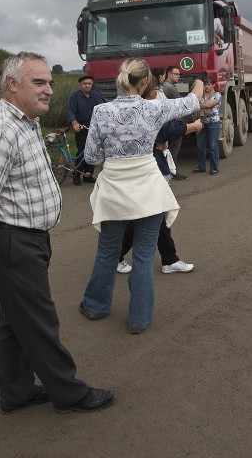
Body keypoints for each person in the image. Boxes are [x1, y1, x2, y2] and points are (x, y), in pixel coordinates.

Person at [0, 52, 114, 415]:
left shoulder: (25, 122)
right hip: (10, 240)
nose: (48, 89)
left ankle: (17, 392)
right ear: (12, 85)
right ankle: (69, 393)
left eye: (50, 83)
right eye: (39, 82)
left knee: (15, 319)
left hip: (24, 238)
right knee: (40, 321)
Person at [78, 58, 203, 334]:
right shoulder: (154, 108)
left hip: (113, 191)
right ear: (145, 82)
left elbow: (90, 156)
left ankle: (96, 306)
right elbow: (193, 103)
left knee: (108, 252)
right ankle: (139, 319)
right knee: (145, 256)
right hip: (148, 189)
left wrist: (110, 155)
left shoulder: (100, 112)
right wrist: (199, 83)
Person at [116, 76, 202, 275]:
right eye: (156, 87)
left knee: (150, 217)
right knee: (146, 218)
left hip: (137, 173)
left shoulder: (119, 111)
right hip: (151, 171)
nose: (158, 90)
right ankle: (120, 257)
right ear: (149, 89)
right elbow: (173, 127)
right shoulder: (152, 110)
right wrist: (199, 81)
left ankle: (167, 258)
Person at [66, 75, 104, 185]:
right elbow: (70, 111)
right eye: (85, 83)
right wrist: (74, 122)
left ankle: (88, 175)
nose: (87, 85)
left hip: (93, 128)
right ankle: (77, 175)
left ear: (92, 84)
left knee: (93, 151)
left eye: (89, 83)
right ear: (81, 85)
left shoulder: (96, 95)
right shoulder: (75, 97)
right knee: (82, 151)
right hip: (81, 128)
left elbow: (101, 108)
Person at [194, 76, 221, 175]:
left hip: (213, 123)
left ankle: (214, 169)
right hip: (202, 123)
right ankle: (201, 167)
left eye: (209, 84)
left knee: (213, 147)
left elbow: (208, 105)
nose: (206, 86)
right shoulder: (202, 95)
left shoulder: (217, 95)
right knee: (200, 146)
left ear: (213, 85)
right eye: (205, 84)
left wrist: (197, 104)